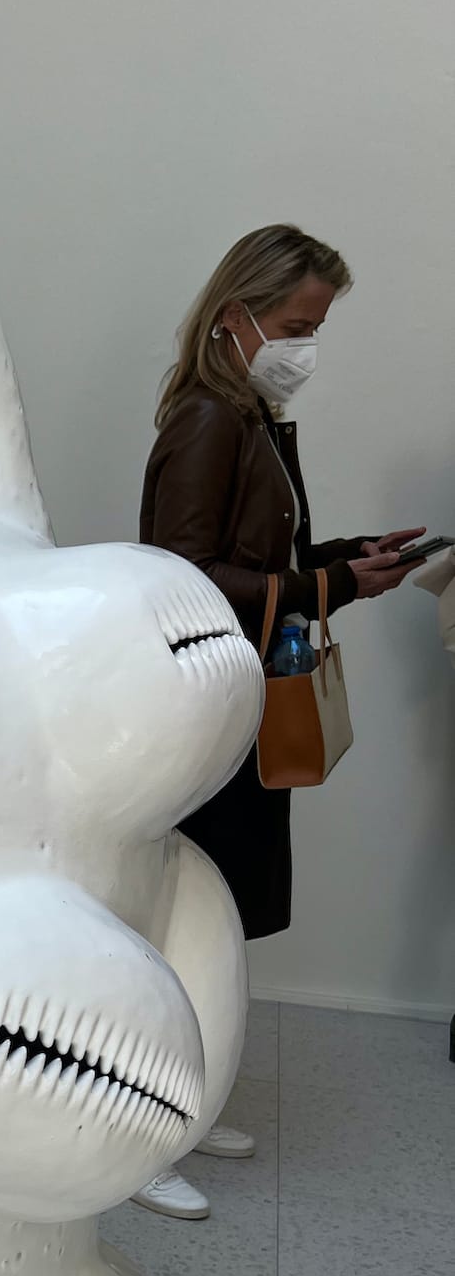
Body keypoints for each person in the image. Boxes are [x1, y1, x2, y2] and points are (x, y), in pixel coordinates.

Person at [133, 225, 423, 1219]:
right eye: (297, 326)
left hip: (244, 698)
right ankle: (138, 1135)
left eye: (316, 328)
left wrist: (350, 558)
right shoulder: (208, 421)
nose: (306, 348)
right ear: (235, 317)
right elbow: (184, 575)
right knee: (182, 922)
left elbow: (264, 557)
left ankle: (182, 1103)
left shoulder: (251, 419)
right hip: (207, 704)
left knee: (214, 917)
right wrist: (333, 585)